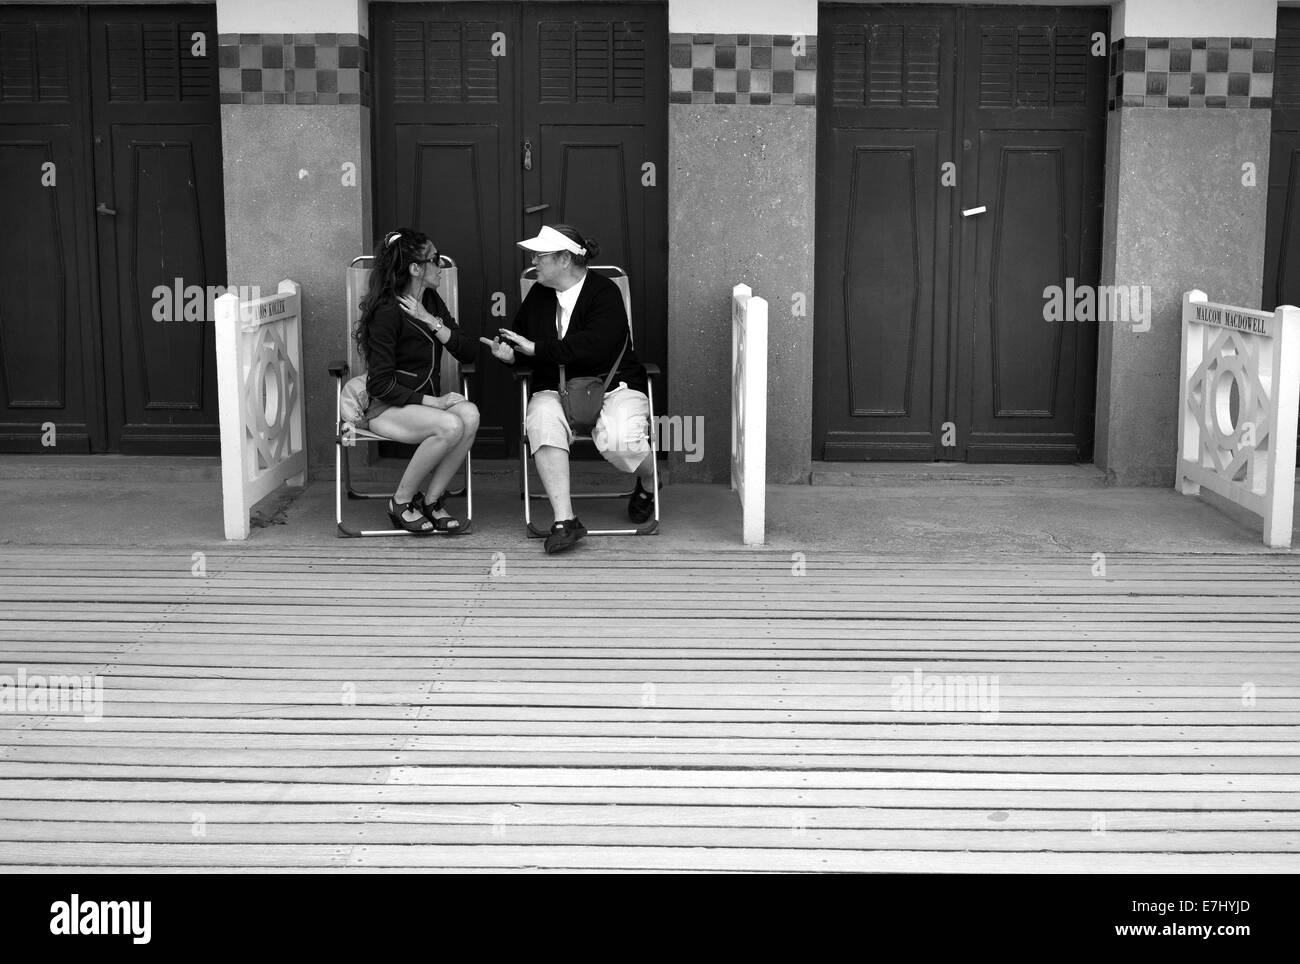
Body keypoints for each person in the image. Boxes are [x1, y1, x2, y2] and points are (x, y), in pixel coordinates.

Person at [481, 224, 654, 554]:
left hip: (612, 385)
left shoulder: (604, 292)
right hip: (554, 388)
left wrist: (536, 349)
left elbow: (594, 346)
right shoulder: (539, 294)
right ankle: (565, 521)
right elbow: (523, 345)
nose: (534, 262)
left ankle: (647, 480)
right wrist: (510, 355)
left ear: (564, 259)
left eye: (540, 256)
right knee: (541, 421)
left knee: (620, 441)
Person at [354, 227, 479, 534]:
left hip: (422, 407)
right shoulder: (386, 311)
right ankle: (400, 501)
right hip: (386, 408)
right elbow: (379, 384)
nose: (441, 266)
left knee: (470, 415)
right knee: (449, 424)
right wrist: (435, 402)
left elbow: (468, 351)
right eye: (435, 259)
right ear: (415, 268)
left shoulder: (431, 302)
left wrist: (430, 321)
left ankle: (431, 502)